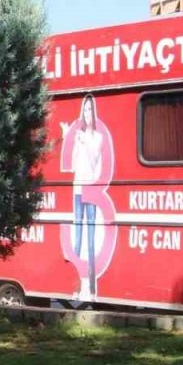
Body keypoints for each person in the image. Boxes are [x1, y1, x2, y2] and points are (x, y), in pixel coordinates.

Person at [63, 94, 104, 301]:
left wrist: (84, 141)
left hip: (91, 190)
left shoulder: (97, 137)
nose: (87, 114)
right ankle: (75, 287)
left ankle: (93, 289)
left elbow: (95, 160)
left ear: (93, 113)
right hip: (77, 189)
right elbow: (73, 163)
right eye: (84, 110)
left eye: (90, 110)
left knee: (90, 241)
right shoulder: (79, 135)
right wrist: (68, 138)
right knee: (77, 240)